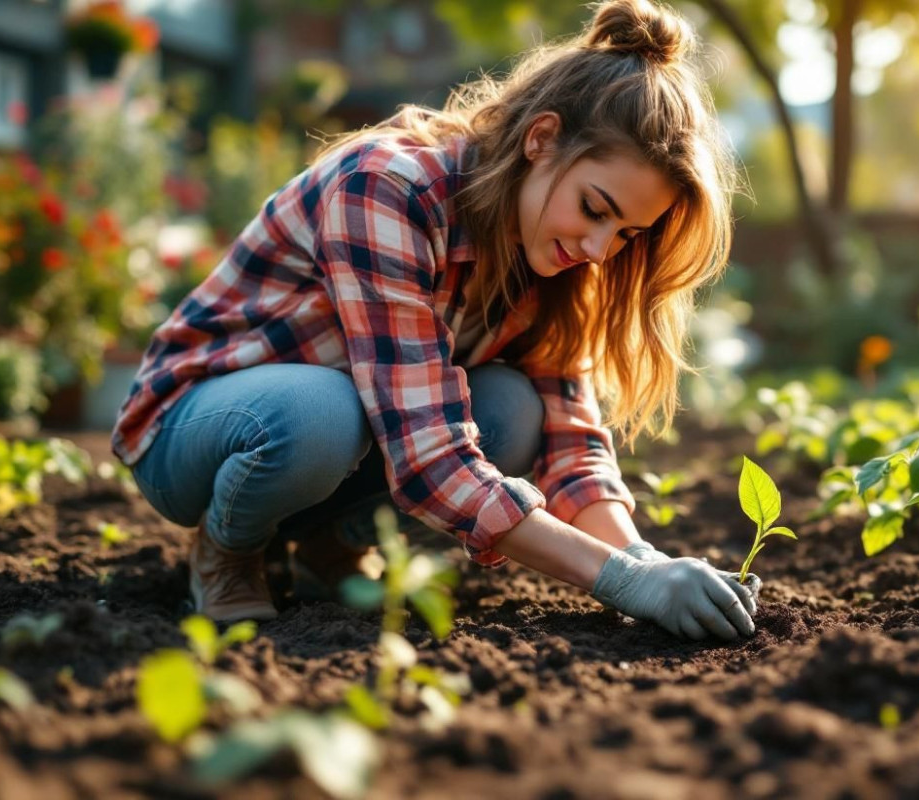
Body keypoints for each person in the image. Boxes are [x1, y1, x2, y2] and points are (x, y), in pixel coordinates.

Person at [111, 0, 761, 640]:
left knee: (514, 410)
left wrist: (646, 559)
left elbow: (571, 441)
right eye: (595, 208)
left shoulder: (558, 255)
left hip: (340, 444)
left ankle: (330, 546)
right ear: (541, 139)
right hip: (197, 428)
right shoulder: (388, 188)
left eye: (627, 233)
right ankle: (227, 547)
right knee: (321, 413)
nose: (599, 248)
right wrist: (619, 582)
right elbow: (431, 460)